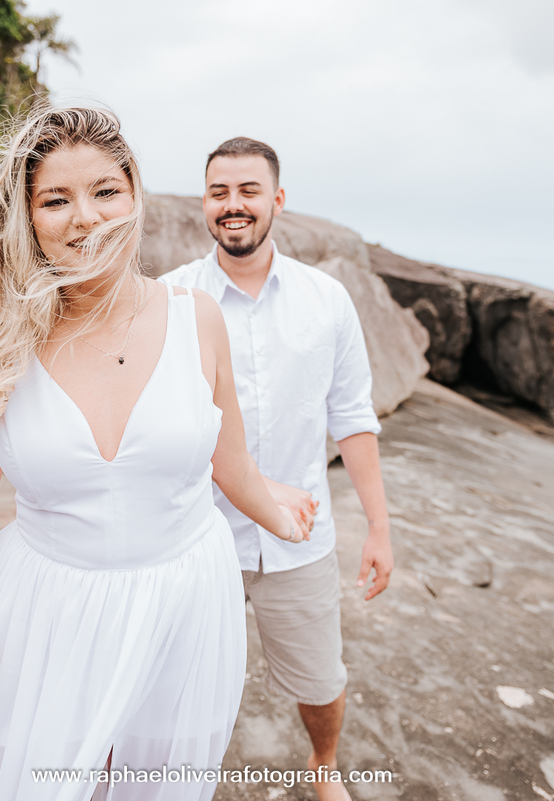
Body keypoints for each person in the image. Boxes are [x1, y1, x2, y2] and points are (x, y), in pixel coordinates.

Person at [0, 107, 314, 801]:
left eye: (106, 191)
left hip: (183, 601)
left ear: (135, 195)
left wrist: (277, 510)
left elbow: (230, 463)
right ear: (28, 217)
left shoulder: (199, 318)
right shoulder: (0, 338)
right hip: (44, 613)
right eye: (56, 199)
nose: (85, 218)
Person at [159, 137, 394, 801]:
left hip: (301, 535)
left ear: (277, 201)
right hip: (194, 536)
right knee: (178, 683)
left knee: (321, 679)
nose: (233, 205)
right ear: (204, 204)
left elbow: (352, 417)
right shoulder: (169, 298)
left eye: (248, 191)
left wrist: (378, 526)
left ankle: (322, 767)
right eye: (218, 192)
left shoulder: (328, 300)